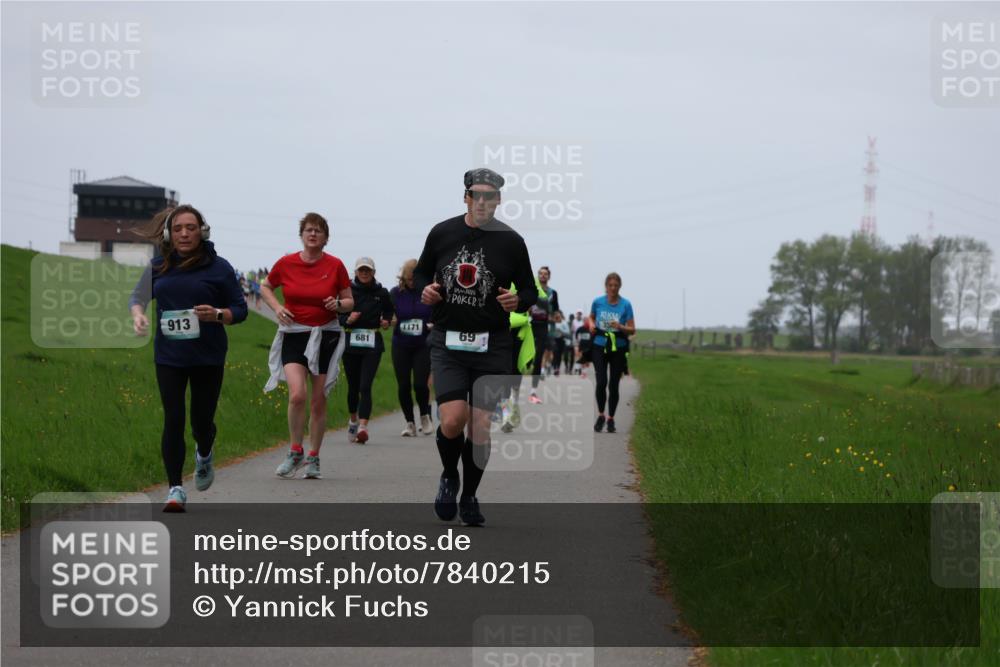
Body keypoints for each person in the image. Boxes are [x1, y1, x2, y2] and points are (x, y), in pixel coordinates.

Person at [414, 167, 537, 526]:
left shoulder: (511, 242)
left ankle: (469, 495)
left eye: (489, 196)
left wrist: (519, 300)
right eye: (475, 194)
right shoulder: (442, 232)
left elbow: (529, 289)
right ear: (465, 196)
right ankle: (449, 475)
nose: (482, 201)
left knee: (480, 427)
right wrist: (426, 289)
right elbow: (422, 272)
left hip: (493, 344)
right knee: (453, 420)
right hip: (449, 340)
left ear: (498, 201)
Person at [129, 204, 248, 512]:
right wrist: (138, 316)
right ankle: (175, 488)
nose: (184, 233)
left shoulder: (219, 268)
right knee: (173, 418)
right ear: (170, 233)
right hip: (169, 356)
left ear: (201, 231)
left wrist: (219, 314)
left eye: (191, 227)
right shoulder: (158, 267)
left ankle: (205, 451)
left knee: (201, 422)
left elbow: (241, 308)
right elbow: (138, 297)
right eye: (178, 228)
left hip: (208, 356)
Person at [262, 213, 353, 479]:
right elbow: (266, 286)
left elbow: (349, 301)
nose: (313, 234)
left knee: (318, 401)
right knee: (297, 395)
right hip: (295, 333)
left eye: (318, 231)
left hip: (326, 334)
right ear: (301, 235)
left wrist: (338, 305)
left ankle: (313, 457)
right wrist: (277, 307)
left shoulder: (335, 265)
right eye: (308, 230)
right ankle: (295, 450)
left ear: (326, 238)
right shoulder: (287, 263)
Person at [340, 257, 393, 444]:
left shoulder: (382, 292)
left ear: (373, 272)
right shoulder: (347, 291)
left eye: (367, 270)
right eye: (361, 270)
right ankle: (353, 420)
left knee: (365, 386)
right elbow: (338, 315)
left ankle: (363, 427)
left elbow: (389, 311)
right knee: (353, 387)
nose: (364, 273)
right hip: (351, 343)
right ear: (355, 273)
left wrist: (386, 321)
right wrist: (348, 320)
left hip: (372, 343)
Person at [390, 259, 434, 437]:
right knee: (403, 385)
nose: (412, 283)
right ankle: (410, 423)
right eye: (409, 280)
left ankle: (424, 416)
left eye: (415, 279)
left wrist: (433, 324)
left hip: (423, 344)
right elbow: (388, 312)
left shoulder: (429, 293)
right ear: (403, 278)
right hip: (401, 344)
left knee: (420, 384)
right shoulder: (395, 293)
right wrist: (390, 318)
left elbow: (438, 313)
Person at [589, 272, 636, 434]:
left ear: (619, 287)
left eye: (616, 286)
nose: (613, 288)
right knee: (601, 381)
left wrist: (620, 326)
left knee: (613, 384)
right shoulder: (598, 302)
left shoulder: (626, 305)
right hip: (599, 345)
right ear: (606, 286)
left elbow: (632, 329)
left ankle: (611, 419)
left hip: (619, 346)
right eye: (610, 285)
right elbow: (591, 317)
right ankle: (601, 414)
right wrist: (591, 325)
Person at [528, 266, 558, 403]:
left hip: (543, 325)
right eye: (540, 273)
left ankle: (533, 390)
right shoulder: (531, 289)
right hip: (529, 323)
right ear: (538, 276)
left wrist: (555, 316)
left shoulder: (553, 293)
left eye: (545, 274)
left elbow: (555, 311)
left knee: (539, 356)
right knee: (527, 354)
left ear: (549, 277)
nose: (543, 276)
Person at [550, 310, 571, 375]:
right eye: (556, 317)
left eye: (558, 317)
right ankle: (554, 367)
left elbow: (568, 333)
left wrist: (561, 332)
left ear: (560, 316)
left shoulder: (564, 323)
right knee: (555, 354)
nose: (557, 318)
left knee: (559, 355)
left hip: (562, 340)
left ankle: (557, 368)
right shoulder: (553, 324)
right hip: (554, 340)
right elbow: (550, 332)